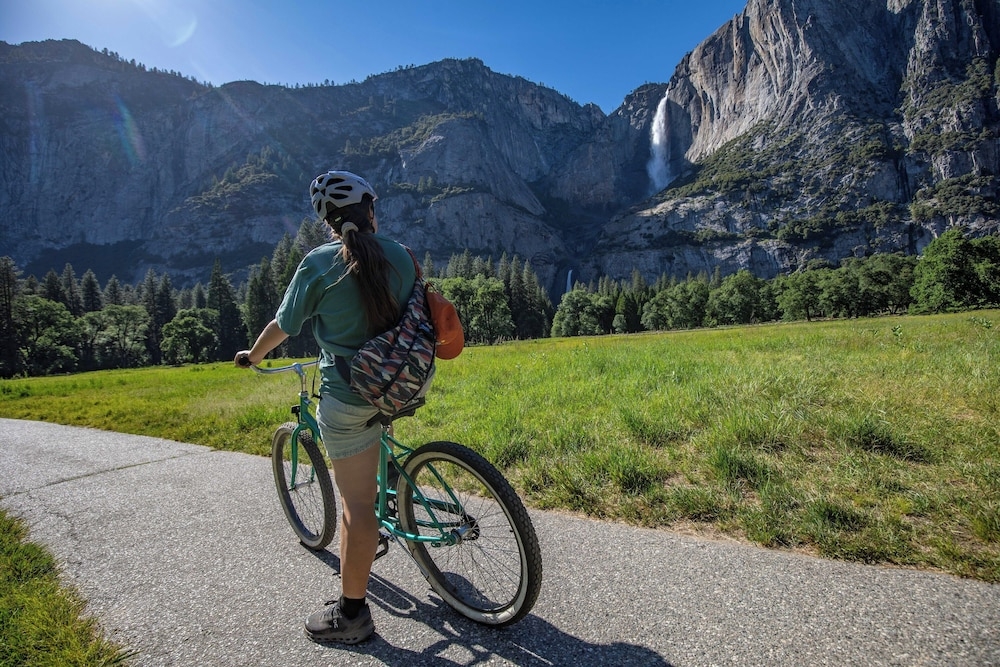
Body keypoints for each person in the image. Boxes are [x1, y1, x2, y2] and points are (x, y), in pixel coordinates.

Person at [235, 170, 417, 644]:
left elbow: (284, 323)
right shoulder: (401, 255)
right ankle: (393, 487)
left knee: (355, 506)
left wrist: (253, 355)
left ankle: (352, 615)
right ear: (371, 211)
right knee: (375, 453)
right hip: (402, 383)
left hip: (348, 395)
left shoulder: (319, 264)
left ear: (329, 224)